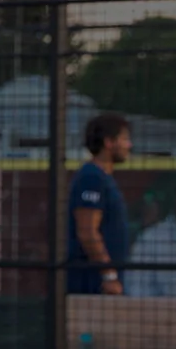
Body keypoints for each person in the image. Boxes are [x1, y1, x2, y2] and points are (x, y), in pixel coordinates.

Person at [68, 113, 132, 296]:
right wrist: (108, 275)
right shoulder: (91, 177)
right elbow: (87, 231)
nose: (129, 145)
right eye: (124, 139)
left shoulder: (103, 178)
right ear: (109, 142)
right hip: (91, 282)